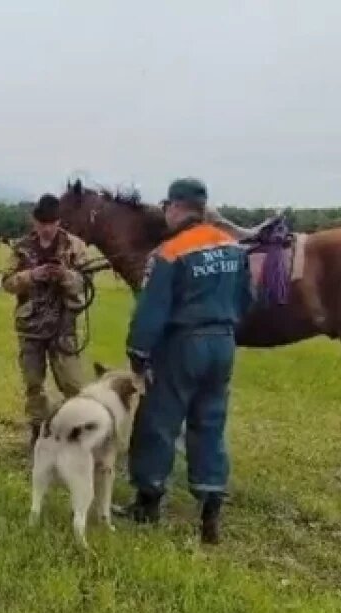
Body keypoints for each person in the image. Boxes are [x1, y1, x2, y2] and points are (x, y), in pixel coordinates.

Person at [116, 178, 253, 544]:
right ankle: (210, 509)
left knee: (158, 421)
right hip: (223, 342)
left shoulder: (169, 252)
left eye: (167, 207)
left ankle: (148, 502)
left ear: (176, 208)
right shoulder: (234, 246)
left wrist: (138, 353)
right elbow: (247, 298)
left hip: (182, 345)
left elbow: (152, 310)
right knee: (210, 422)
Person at [0, 193, 91, 450]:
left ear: (59, 221)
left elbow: (86, 283)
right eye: (42, 223)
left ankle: (78, 432)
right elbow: (6, 282)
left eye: (51, 223)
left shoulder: (75, 246)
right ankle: (38, 431)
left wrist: (65, 276)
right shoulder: (21, 248)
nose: (47, 229)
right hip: (31, 328)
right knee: (33, 384)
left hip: (64, 326)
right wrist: (31, 275)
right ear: (34, 221)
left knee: (73, 384)